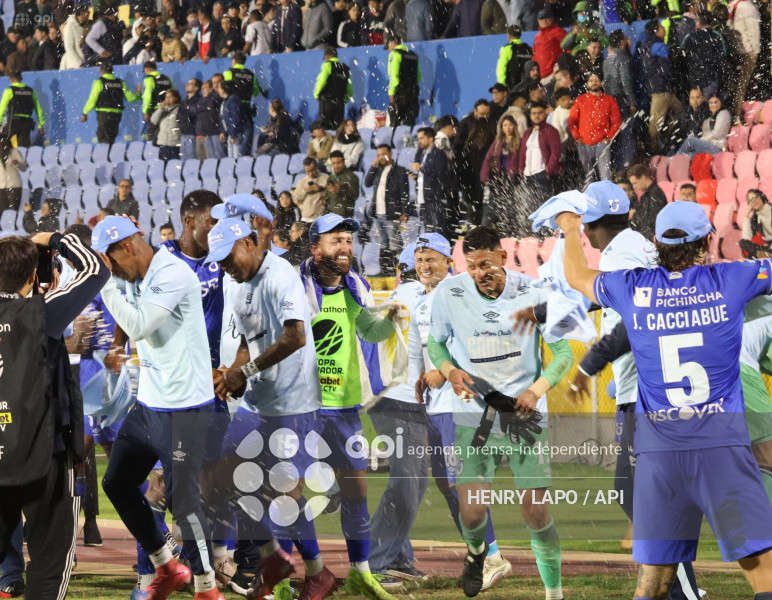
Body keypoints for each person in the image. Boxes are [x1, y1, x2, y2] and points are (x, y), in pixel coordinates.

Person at [559, 199, 772, 600]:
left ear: (655, 242)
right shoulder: (734, 278)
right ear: (707, 242)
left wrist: (570, 227)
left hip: (658, 456)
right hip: (721, 449)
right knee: (763, 569)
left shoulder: (633, 286)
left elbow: (576, 275)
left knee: (652, 582)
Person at [557, 181, 704, 600]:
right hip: (646, 391)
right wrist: (545, 312)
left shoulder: (620, 254)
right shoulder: (632, 246)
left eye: (583, 225)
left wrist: (588, 364)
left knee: (638, 493)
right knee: (639, 493)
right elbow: (602, 300)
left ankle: (684, 591)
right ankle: (678, 588)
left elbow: (629, 316)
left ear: (590, 226)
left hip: (644, 393)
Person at [427, 225, 571, 600]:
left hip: (525, 417)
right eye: (472, 266)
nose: (479, 273)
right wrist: (450, 371)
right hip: (473, 417)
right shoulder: (449, 293)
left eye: (486, 264)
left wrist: (535, 390)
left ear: (503, 257)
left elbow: (564, 355)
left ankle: (554, 593)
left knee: (535, 513)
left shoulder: (533, 293)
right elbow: (435, 344)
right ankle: (478, 554)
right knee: (473, 512)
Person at [206, 212, 340, 600]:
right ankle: (273, 559)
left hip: (293, 402)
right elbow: (247, 340)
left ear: (248, 243)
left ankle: (317, 573)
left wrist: (244, 372)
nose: (226, 268)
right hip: (258, 399)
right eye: (220, 263)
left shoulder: (281, 275)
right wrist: (234, 374)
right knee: (222, 478)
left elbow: (295, 337)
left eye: (229, 258)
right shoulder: (236, 285)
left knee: (285, 493)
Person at [93, 216, 220, 600]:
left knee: (184, 504)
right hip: (150, 404)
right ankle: (166, 564)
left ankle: (207, 588)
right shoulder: (133, 272)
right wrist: (116, 344)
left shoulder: (172, 272)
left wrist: (105, 281)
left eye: (113, 263)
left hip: (185, 408)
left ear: (127, 246)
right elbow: (128, 314)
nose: (113, 272)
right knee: (116, 483)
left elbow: (140, 325)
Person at [0, 230, 109, 600]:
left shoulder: (39, 308)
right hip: (45, 456)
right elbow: (95, 270)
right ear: (34, 275)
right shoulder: (42, 312)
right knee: (49, 567)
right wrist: (55, 238)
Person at [298, 213, 401, 600]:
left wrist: (391, 320)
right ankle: (313, 572)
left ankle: (361, 573)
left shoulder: (356, 286)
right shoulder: (296, 286)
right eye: (335, 240)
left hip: (344, 408)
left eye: (347, 240)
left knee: (356, 492)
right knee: (288, 492)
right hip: (303, 407)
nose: (344, 248)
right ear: (315, 248)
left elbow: (369, 332)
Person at [516, 101, 561, 233]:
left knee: (543, 206)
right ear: (530, 115)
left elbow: (556, 152)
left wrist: (548, 171)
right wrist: (521, 170)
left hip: (542, 173)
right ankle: (531, 234)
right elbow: (522, 153)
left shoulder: (550, 130)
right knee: (529, 206)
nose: (536, 116)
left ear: (545, 113)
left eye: (539, 113)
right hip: (528, 174)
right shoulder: (527, 132)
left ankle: (546, 234)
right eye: (533, 113)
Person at [568, 73, 621, 183]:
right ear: (587, 84)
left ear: (601, 82)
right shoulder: (580, 100)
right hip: (584, 142)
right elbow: (572, 121)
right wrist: (577, 137)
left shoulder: (609, 100)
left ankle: (606, 193)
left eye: (596, 80)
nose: (594, 83)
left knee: (605, 175)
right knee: (588, 176)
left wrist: (608, 137)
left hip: (602, 142)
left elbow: (616, 122)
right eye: (591, 81)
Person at [637, 19, 681, 153]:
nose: (664, 29)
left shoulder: (644, 45)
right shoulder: (660, 46)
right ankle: (653, 150)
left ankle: (663, 139)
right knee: (656, 122)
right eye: (661, 27)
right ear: (656, 31)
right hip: (662, 89)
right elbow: (665, 69)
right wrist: (672, 83)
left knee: (679, 110)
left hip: (653, 88)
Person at [365, 144, 410, 271]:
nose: (380, 157)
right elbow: (367, 183)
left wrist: (405, 212)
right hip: (378, 212)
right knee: (382, 244)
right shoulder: (377, 170)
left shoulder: (400, 171)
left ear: (391, 154)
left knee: (395, 244)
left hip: (392, 213)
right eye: (378, 155)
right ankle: (386, 271)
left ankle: (400, 271)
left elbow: (404, 193)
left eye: (383, 154)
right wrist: (373, 166)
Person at [455, 100, 496, 226]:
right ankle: (474, 230)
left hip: (487, 172)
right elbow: (457, 148)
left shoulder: (493, 124)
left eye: (487, 114)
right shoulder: (465, 124)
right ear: (475, 112)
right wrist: (459, 171)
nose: (485, 117)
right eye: (482, 114)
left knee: (488, 208)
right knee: (473, 208)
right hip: (469, 173)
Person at [81, 61, 140, 145]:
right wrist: (137, 93)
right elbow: (130, 98)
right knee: (111, 138)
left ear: (102, 71)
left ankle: (105, 153)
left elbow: (92, 100)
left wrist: (85, 113)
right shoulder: (120, 82)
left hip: (104, 114)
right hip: (116, 115)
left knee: (103, 140)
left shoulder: (99, 82)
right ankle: (110, 152)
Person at [480, 115, 520, 230]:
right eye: (505, 125)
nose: (508, 128)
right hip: (497, 177)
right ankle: (484, 230)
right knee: (492, 205)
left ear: (514, 126)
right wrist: (485, 177)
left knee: (508, 207)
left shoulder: (519, 141)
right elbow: (488, 159)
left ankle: (506, 232)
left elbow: (521, 160)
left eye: (510, 125)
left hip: (512, 178)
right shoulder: (497, 142)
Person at [412, 127, 451, 238]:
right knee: (428, 233)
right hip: (423, 199)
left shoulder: (439, 154)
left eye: (422, 138)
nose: (419, 141)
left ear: (430, 139)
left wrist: (421, 169)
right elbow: (427, 176)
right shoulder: (421, 154)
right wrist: (416, 177)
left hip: (435, 199)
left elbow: (440, 175)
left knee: (439, 232)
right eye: (418, 138)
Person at [680, 14, 727, 100]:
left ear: (697, 22)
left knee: (695, 103)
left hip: (693, 78)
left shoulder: (689, 37)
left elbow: (682, 57)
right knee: (710, 102)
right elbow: (722, 56)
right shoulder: (716, 36)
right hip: (711, 77)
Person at [729, 0, 760, 118]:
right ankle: (739, 113)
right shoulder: (748, 8)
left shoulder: (733, 5)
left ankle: (734, 111)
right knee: (744, 84)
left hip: (736, 51)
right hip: (747, 52)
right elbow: (754, 32)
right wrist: (755, 52)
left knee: (737, 84)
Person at [0, 71, 44, 148]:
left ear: (11, 79)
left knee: (3, 140)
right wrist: (41, 125)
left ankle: (8, 154)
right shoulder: (30, 91)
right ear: (21, 78)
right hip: (26, 123)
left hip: (13, 122)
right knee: (23, 148)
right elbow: (39, 110)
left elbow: (2, 109)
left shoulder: (9, 91)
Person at [313, 47, 353, 131]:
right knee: (338, 129)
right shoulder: (345, 69)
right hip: (340, 103)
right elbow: (349, 89)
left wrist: (316, 94)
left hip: (327, 100)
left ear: (327, 56)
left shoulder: (327, 64)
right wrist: (344, 100)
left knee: (325, 129)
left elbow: (322, 81)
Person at [628, 163, 668, 242]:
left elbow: (652, 221)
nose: (634, 187)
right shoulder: (649, 194)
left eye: (635, 183)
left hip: (652, 241)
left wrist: (633, 216)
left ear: (643, 178)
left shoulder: (655, 194)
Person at [386, 35, 421, 127]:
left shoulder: (395, 54)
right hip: (413, 91)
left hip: (400, 91)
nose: (388, 49)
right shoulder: (413, 55)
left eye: (388, 45)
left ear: (393, 42)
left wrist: (391, 93)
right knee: (409, 121)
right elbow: (418, 76)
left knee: (395, 121)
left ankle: (394, 135)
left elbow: (393, 76)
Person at [533, 6, 566, 83]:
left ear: (552, 18)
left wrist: (561, 68)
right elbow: (535, 54)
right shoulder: (537, 36)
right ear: (538, 20)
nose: (544, 21)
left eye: (547, 17)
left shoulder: (559, 32)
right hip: (540, 77)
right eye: (541, 18)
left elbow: (568, 50)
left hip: (554, 74)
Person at [218, 80, 251, 158]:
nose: (217, 90)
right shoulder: (225, 102)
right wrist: (223, 132)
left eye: (219, 88)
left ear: (223, 90)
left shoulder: (233, 100)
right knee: (231, 159)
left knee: (237, 158)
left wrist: (233, 135)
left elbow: (235, 119)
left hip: (239, 133)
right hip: (232, 133)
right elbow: (223, 119)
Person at [673, 87, 709, 154]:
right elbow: (677, 128)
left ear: (703, 98)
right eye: (692, 98)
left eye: (697, 97)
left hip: (696, 146)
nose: (695, 100)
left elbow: (697, 132)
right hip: (682, 144)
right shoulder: (686, 110)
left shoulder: (706, 111)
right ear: (689, 99)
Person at [326, 150, 359, 218]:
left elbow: (355, 195)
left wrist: (340, 190)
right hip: (330, 215)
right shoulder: (331, 177)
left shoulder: (351, 177)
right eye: (333, 163)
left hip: (344, 216)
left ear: (343, 162)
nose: (336, 166)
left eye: (338, 163)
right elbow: (328, 196)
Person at [295, 157, 330, 222]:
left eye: (312, 170)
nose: (310, 174)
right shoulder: (302, 182)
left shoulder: (326, 178)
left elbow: (331, 196)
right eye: (307, 171)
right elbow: (296, 199)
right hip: (306, 217)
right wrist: (305, 191)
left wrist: (321, 190)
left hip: (321, 217)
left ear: (316, 167)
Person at [151, 88, 182, 160]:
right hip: (163, 144)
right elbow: (153, 120)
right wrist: (161, 109)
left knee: (173, 164)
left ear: (176, 98)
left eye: (170, 97)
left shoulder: (180, 109)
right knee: (163, 164)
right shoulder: (163, 109)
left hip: (174, 144)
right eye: (166, 97)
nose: (167, 99)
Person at [198, 79, 225, 159]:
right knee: (211, 158)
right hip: (207, 133)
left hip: (217, 132)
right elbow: (198, 108)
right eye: (202, 88)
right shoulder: (202, 100)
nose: (202, 90)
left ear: (211, 88)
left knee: (220, 156)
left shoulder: (217, 96)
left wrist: (205, 106)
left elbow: (211, 104)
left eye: (205, 88)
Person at [741, 189, 772, 259]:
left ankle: (764, 257)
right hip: (768, 249)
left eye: (755, 197)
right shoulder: (755, 218)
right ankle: (766, 256)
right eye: (750, 199)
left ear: (761, 197)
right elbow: (747, 237)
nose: (753, 201)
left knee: (753, 256)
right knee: (743, 242)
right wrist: (747, 215)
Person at [0, 134, 26, 214]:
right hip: (1, 187)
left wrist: (17, 163)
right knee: (3, 213)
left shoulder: (14, 152)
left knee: (13, 212)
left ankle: (13, 222)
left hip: (14, 186)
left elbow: (24, 168)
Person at [178, 78, 202, 161]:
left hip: (193, 134)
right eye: (187, 83)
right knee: (183, 161)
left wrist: (186, 113)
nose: (187, 85)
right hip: (183, 134)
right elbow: (179, 116)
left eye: (191, 83)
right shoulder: (184, 101)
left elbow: (193, 115)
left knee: (192, 160)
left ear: (196, 88)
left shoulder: (199, 100)